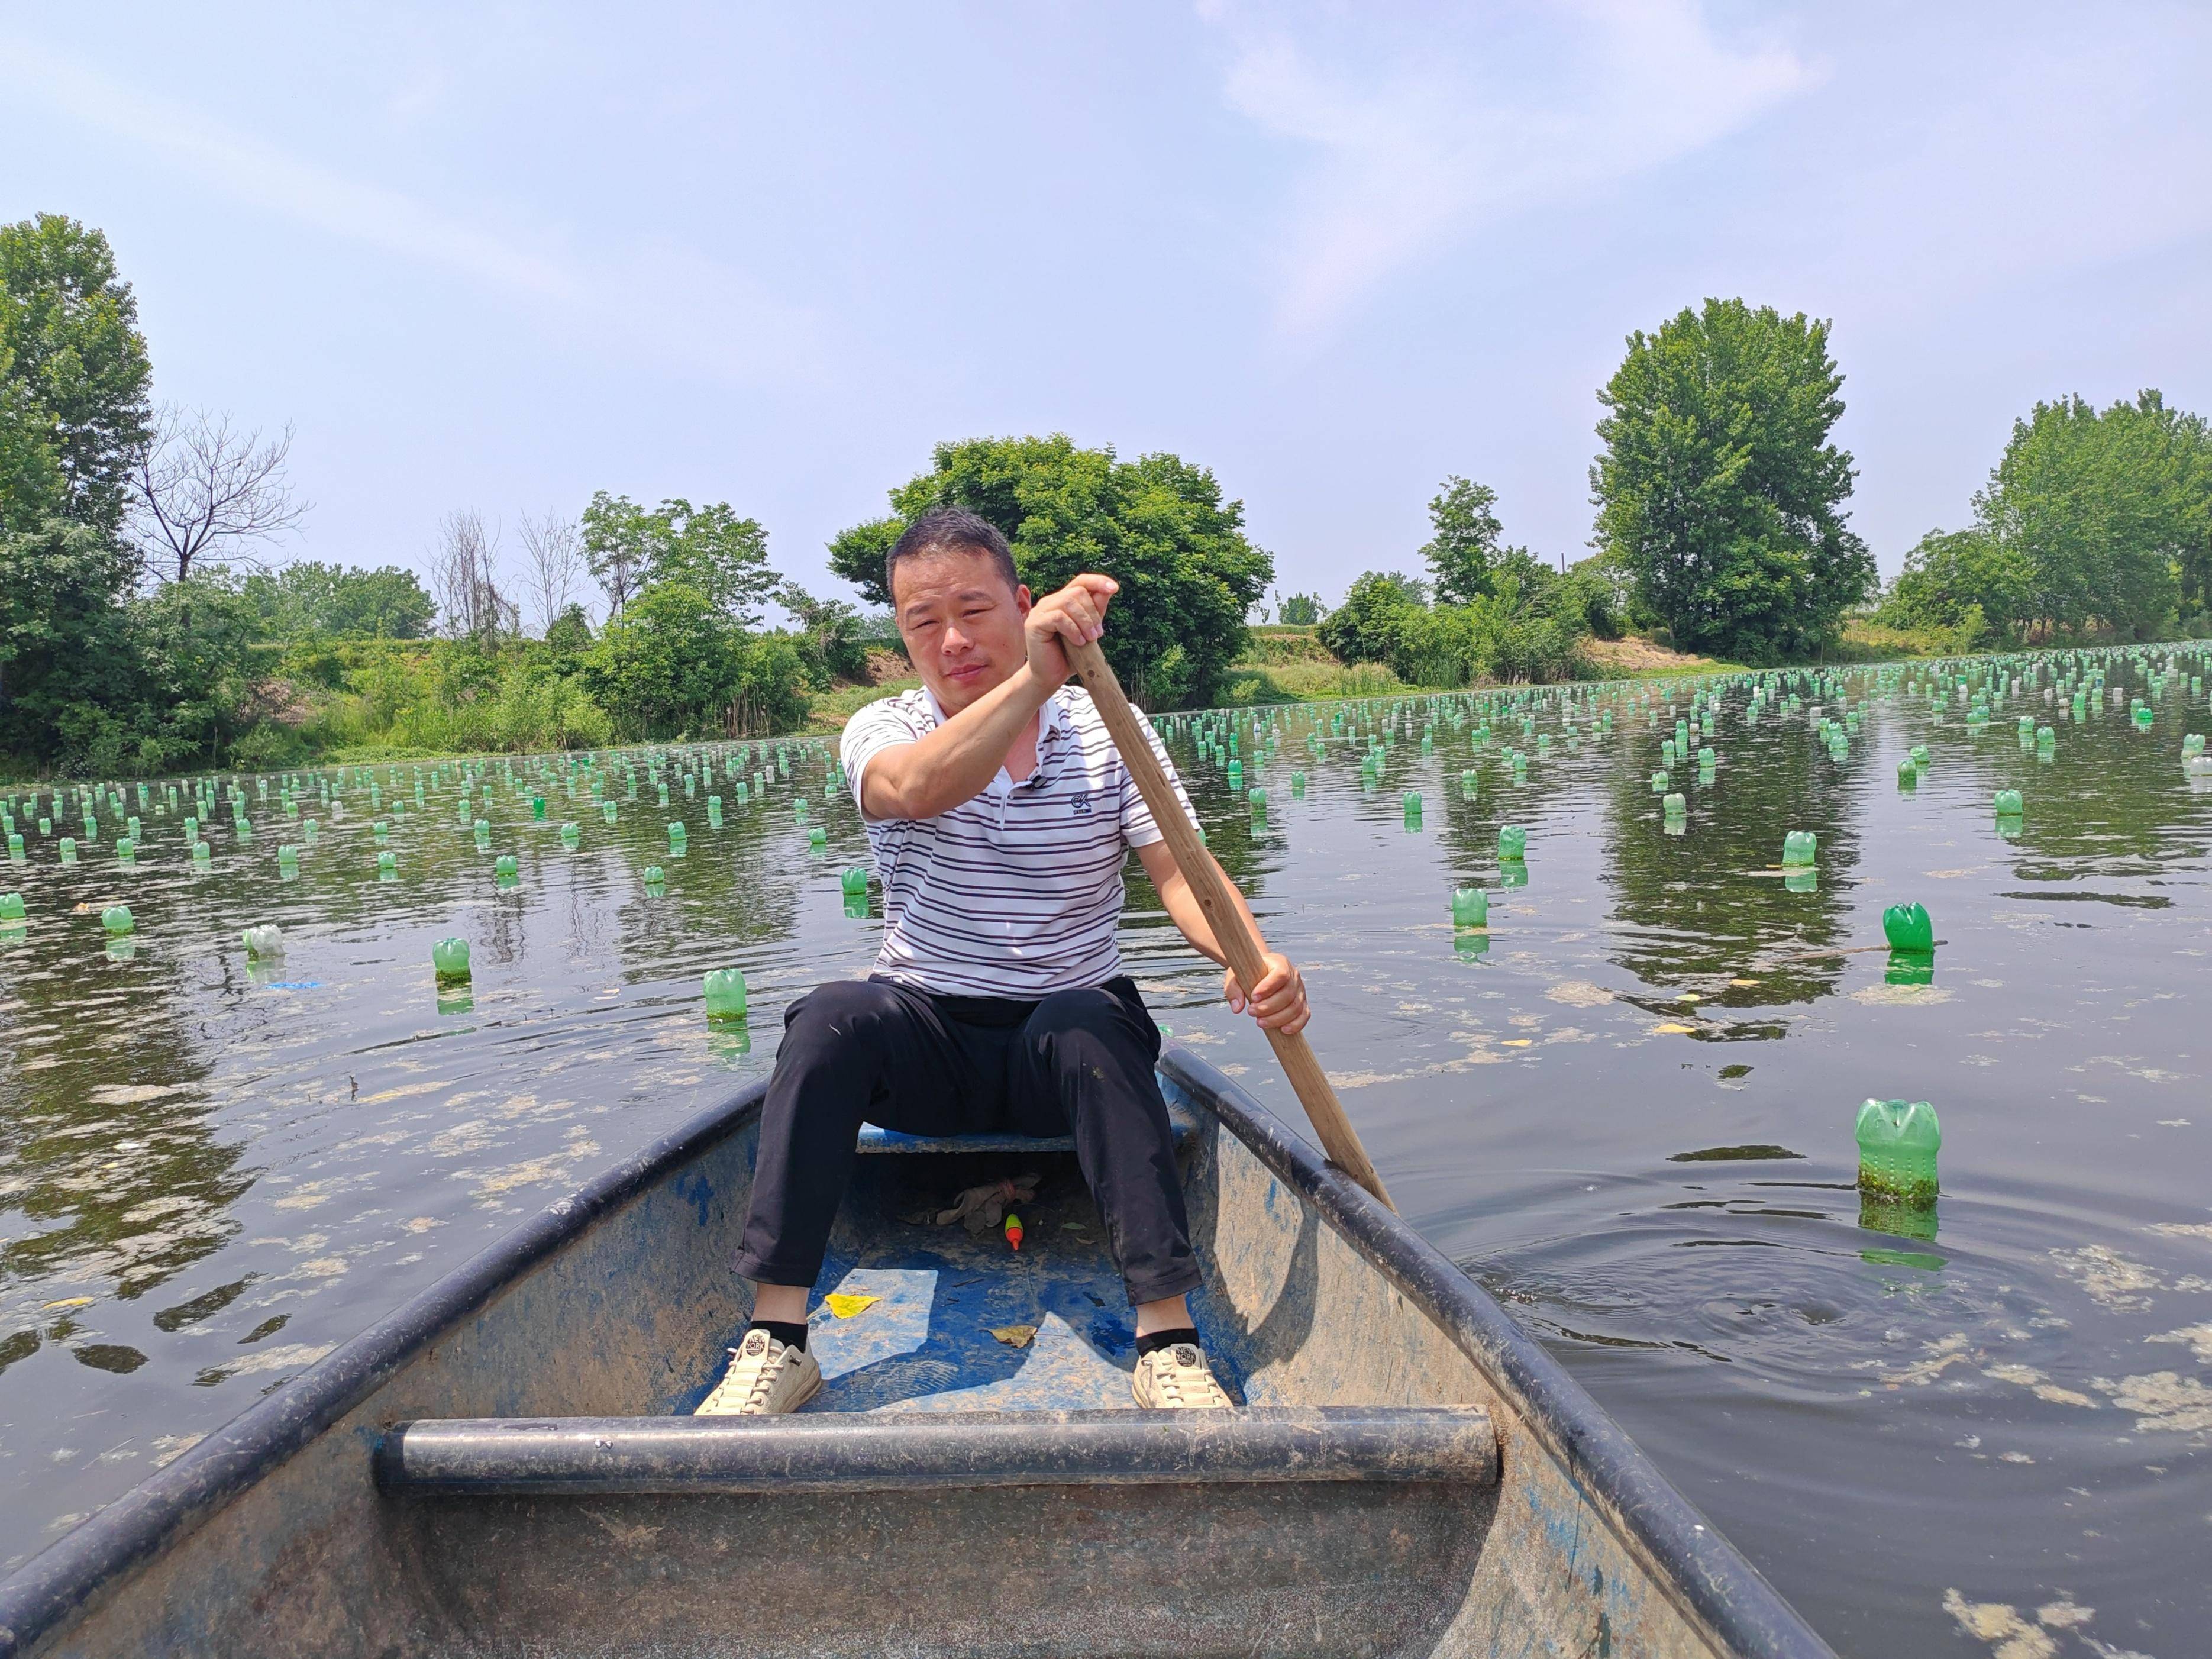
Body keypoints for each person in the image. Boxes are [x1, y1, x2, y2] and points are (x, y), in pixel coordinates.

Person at [696, 507, 1312, 1416]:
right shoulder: (885, 728)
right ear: (902, 636)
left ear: (1022, 605)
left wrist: (1250, 957)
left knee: (1092, 1019)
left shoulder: (1108, 725)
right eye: (922, 622)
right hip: (926, 1041)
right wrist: (1032, 678)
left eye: (975, 611)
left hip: (1065, 1047)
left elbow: (1181, 868)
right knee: (828, 1018)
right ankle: (778, 1339)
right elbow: (915, 790)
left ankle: (1168, 1342)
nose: (951, 640)